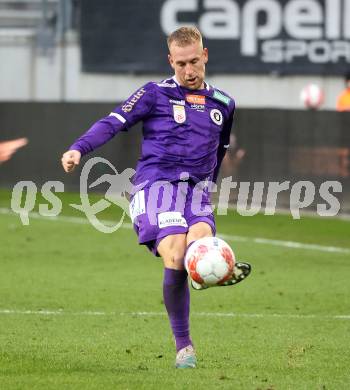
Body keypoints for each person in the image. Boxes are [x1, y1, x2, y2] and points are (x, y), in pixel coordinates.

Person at [61, 27, 250, 369]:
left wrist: (209, 186)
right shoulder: (153, 93)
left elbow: (219, 152)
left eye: (194, 61)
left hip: (195, 192)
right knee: (176, 252)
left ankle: (206, 269)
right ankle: (185, 348)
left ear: (205, 55)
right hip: (155, 187)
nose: (189, 71)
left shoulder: (224, 103)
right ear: (170, 61)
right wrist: (79, 148)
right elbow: (114, 121)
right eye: (181, 64)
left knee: (202, 239)